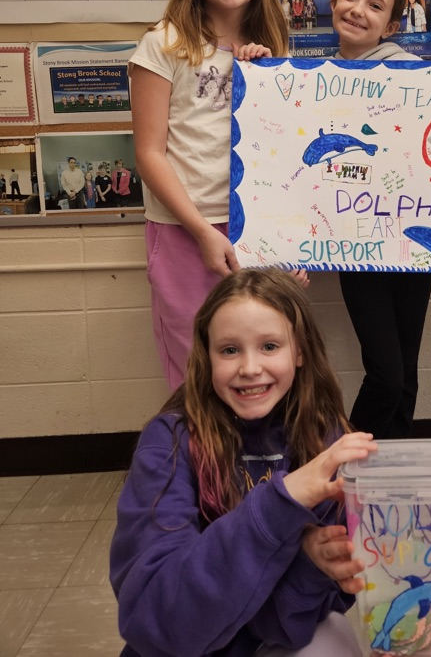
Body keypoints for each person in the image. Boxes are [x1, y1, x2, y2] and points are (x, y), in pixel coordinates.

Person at [110, 268, 377, 656]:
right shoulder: (167, 443)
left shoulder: (322, 439)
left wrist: (310, 565)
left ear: (299, 351)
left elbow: (298, 616)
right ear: (207, 356)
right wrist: (280, 502)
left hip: (274, 633)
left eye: (270, 346)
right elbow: (158, 621)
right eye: (230, 350)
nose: (250, 368)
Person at [128, 0, 303, 392]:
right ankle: (206, 469)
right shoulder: (164, 44)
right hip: (188, 227)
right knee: (199, 365)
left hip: (257, 226)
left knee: (263, 364)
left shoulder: (272, 43)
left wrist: (296, 240)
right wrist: (203, 231)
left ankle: (262, 469)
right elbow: (149, 153)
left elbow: (287, 146)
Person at [329, 0, 431, 440]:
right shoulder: (314, 77)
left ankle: (395, 474)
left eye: (375, 5)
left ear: (392, 26)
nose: (358, 10)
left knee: (404, 372)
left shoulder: (412, 73)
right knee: (387, 374)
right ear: (333, 3)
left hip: (411, 238)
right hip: (358, 242)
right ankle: (338, 467)